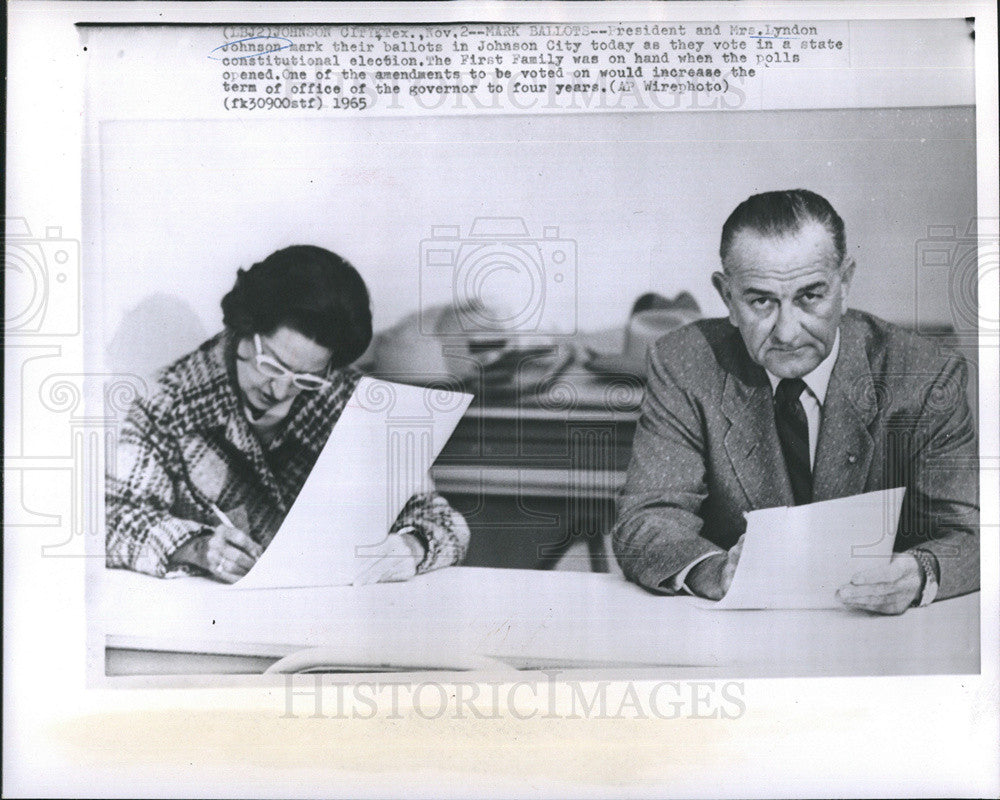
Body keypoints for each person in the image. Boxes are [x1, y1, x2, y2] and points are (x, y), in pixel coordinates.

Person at [613, 190, 979, 614]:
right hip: (738, 634)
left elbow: (970, 535)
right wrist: (714, 572)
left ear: (845, 285)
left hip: (877, 633)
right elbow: (648, 519)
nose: (787, 332)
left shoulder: (925, 375)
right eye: (761, 301)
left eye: (810, 297)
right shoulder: (684, 365)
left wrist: (919, 574)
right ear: (727, 298)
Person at [106, 245, 471, 583]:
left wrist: (409, 548)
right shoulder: (166, 404)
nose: (279, 391)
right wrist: (198, 547)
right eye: (272, 365)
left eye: (304, 379)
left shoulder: (350, 402)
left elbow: (444, 521)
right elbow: (112, 521)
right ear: (243, 328)